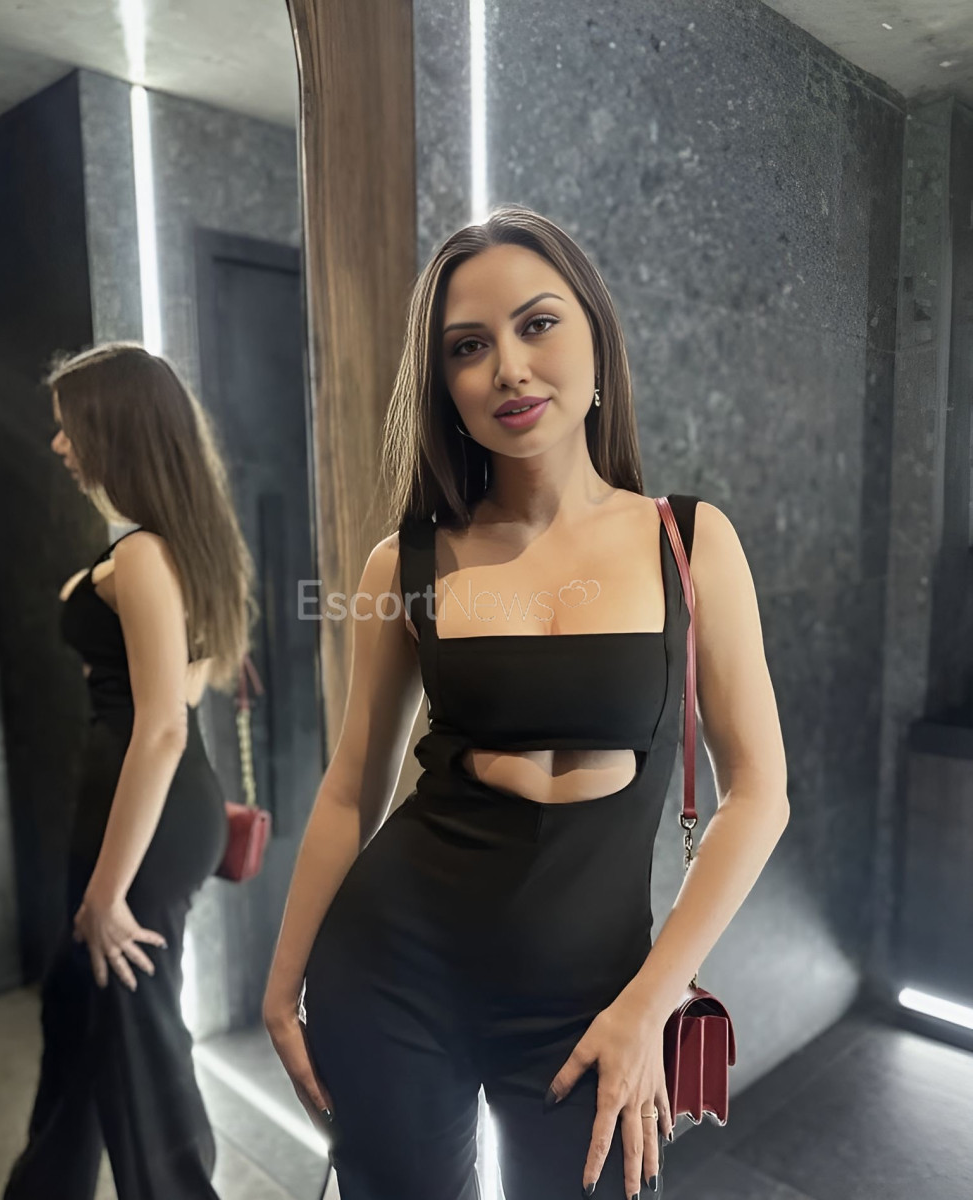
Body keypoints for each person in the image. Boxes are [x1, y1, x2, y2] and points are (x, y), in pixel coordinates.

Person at [263, 205, 790, 1200]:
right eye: (468, 346)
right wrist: (282, 982)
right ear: (445, 385)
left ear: (595, 338)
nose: (507, 367)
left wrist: (651, 1000)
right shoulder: (405, 562)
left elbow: (758, 794)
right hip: (391, 975)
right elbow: (350, 787)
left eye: (537, 324)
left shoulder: (689, 542)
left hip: (595, 996)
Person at [3, 343, 256, 1200]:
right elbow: (189, 681)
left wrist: (107, 893)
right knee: (81, 1018)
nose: (58, 444)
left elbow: (164, 727)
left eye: (69, 426)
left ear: (113, 427)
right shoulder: (183, 544)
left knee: (138, 1049)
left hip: (141, 814)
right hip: (147, 806)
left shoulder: (146, 552)